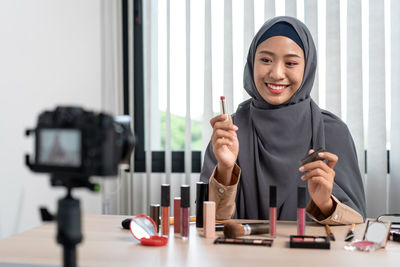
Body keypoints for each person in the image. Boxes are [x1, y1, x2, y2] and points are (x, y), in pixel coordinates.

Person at [200, 16, 366, 225]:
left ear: (307, 68)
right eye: (266, 60)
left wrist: (325, 204)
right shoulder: (229, 132)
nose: (277, 73)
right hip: (242, 255)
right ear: (252, 62)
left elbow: (357, 227)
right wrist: (225, 170)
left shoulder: (332, 131)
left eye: (291, 63)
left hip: (312, 257)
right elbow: (208, 224)